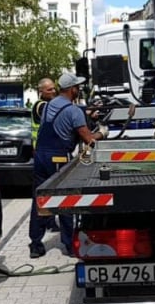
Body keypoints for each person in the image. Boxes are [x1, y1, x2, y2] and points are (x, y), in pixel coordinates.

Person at [29, 73, 107, 258]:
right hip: (57, 158)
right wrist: (102, 133)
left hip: (40, 156)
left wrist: (86, 112)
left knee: (40, 199)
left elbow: (66, 114)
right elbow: (88, 139)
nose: (79, 89)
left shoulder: (49, 105)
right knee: (64, 200)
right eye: (77, 87)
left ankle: (36, 244)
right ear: (72, 89)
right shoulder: (74, 111)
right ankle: (69, 244)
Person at [31, 77, 60, 232]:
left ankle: (49, 221)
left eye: (54, 88)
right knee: (47, 189)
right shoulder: (42, 106)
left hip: (43, 153)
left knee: (48, 188)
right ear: (40, 91)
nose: (53, 91)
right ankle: (47, 221)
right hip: (44, 154)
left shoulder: (46, 104)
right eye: (49, 90)